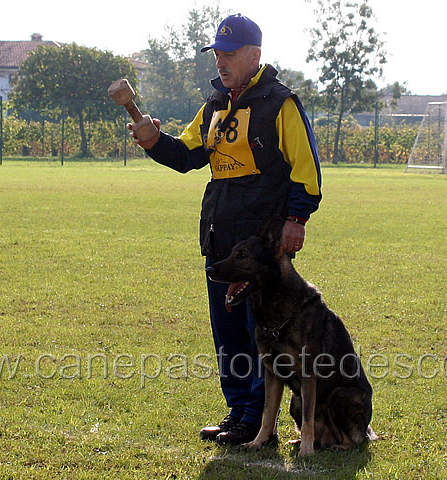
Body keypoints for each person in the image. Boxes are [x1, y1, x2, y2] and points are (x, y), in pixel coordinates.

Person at [128, 13, 322, 446]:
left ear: (255, 55)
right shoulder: (215, 106)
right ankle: (240, 412)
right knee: (229, 331)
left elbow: (307, 169)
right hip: (221, 237)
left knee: (262, 332)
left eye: (230, 54)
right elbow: (187, 155)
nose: (221, 61)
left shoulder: (280, 103)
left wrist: (297, 218)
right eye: (217, 54)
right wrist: (153, 141)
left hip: (261, 246)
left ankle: (257, 418)